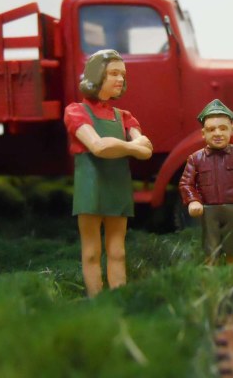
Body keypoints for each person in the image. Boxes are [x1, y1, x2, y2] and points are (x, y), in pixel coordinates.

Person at [64, 49, 153, 297]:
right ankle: (96, 300)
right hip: (90, 187)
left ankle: (118, 298)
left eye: (122, 74)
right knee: (92, 252)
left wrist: (128, 147)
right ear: (97, 75)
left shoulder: (124, 116)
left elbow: (146, 150)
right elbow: (98, 147)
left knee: (118, 251)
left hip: (118, 186)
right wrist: (131, 147)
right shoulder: (76, 111)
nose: (120, 79)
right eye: (114, 73)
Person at [179, 99, 233, 265]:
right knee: (211, 248)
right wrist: (193, 200)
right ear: (203, 133)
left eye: (223, 128)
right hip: (209, 211)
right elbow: (186, 183)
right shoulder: (195, 158)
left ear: (232, 130)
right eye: (211, 129)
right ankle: (212, 275)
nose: (217, 133)